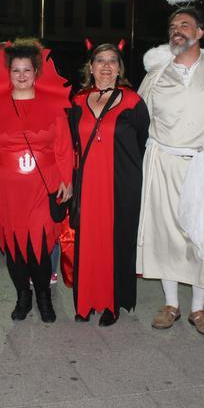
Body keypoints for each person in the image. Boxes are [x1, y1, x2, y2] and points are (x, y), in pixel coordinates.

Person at [136, 0, 204, 336]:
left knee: (203, 235)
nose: (177, 31)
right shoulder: (156, 74)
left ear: (201, 32)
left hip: (200, 166)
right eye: (173, 27)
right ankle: (171, 305)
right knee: (167, 235)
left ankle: (199, 309)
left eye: (185, 26)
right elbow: (134, 116)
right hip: (163, 163)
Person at [0, 40, 73, 323]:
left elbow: (64, 147)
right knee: (14, 246)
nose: (21, 75)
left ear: (36, 72)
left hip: (42, 187)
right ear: (8, 73)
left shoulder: (53, 105)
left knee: (39, 246)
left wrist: (66, 179)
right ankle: (23, 295)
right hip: (5, 188)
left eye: (27, 70)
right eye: (16, 70)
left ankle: (44, 296)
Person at [69, 43, 149, 326]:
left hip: (121, 185)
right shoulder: (77, 101)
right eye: (100, 60)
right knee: (88, 242)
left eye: (112, 61)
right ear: (90, 68)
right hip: (87, 185)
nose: (105, 66)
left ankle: (110, 304)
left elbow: (144, 141)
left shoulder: (133, 101)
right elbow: (68, 144)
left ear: (119, 68)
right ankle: (85, 301)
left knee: (116, 243)